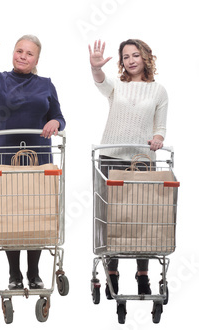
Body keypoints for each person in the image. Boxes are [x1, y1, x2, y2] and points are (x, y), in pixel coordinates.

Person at [0, 26, 65, 291]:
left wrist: (55, 121)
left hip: (37, 158)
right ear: (13, 53)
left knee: (35, 214)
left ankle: (33, 273)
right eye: (19, 51)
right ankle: (14, 274)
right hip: (4, 157)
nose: (23, 56)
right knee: (9, 214)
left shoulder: (46, 84)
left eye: (29, 53)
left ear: (37, 59)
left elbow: (59, 116)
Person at [88, 39, 168, 298]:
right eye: (126, 56)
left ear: (146, 57)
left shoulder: (158, 91)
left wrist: (158, 139)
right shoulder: (117, 86)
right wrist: (96, 67)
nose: (131, 60)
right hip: (111, 156)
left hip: (142, 160)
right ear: (121, 61)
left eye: (136, 55)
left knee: (141, 217)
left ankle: (142, 273)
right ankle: (112, 271)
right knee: (113, 216)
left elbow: (160, 128)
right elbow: (100, 81)